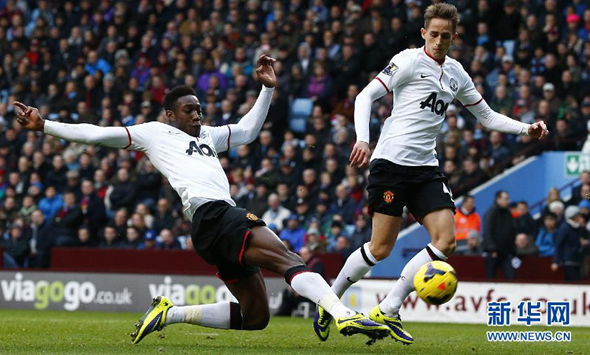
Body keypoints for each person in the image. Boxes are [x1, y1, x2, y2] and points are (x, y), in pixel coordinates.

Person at [14, 55, 389, 345]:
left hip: (209, 230)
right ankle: (343, 315)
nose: (198, 114)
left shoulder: (207, 136)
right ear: (170, 114)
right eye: (190, 110)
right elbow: (97, 135)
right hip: (216, 216)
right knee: (289, 259)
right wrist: (45, 125)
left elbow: (246, 132)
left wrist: (267, 89)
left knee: (255, 318)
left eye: (199, 108)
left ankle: (170, 313)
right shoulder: (154, 133)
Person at [313, 3, 548, 345]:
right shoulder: (407, 60)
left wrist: (527, 129)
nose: (439, 41)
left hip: (425, 168)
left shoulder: (455, 72)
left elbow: (487, 116)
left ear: (455, 36)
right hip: (390, 164)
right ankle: (329, 302)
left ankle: (389, 308)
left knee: (446, 241)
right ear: (424, 33)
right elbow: (365, 96)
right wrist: (363, 138)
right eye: (433, 34)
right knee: (380, 248)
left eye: (445, 35)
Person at [483, 191, 517, 279]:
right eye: (505, 199)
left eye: (507, 199)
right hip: (494, 252)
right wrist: (492, 249)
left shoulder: (508, 213)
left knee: (511, 277)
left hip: (506, 252)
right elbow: (487, 231)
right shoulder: (491, 213)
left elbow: (511, 231)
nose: (507, 201)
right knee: (491, 277)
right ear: (498, 199)